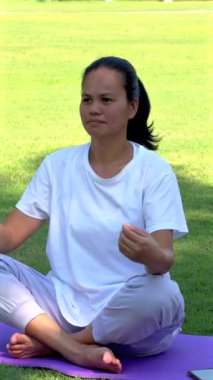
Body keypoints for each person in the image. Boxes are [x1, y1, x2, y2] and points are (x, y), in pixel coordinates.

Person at [0, 56, 188, 374]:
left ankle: (57, 343)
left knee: (163, 294)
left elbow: (163, 262)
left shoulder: (154, 171)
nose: (93, 109)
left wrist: (149, 252)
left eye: (106, 100)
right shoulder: (57, 165)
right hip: (62, 304)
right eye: (87, 99)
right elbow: (8, 238)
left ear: (132, 107)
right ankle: (75, 348)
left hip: (131, 317)